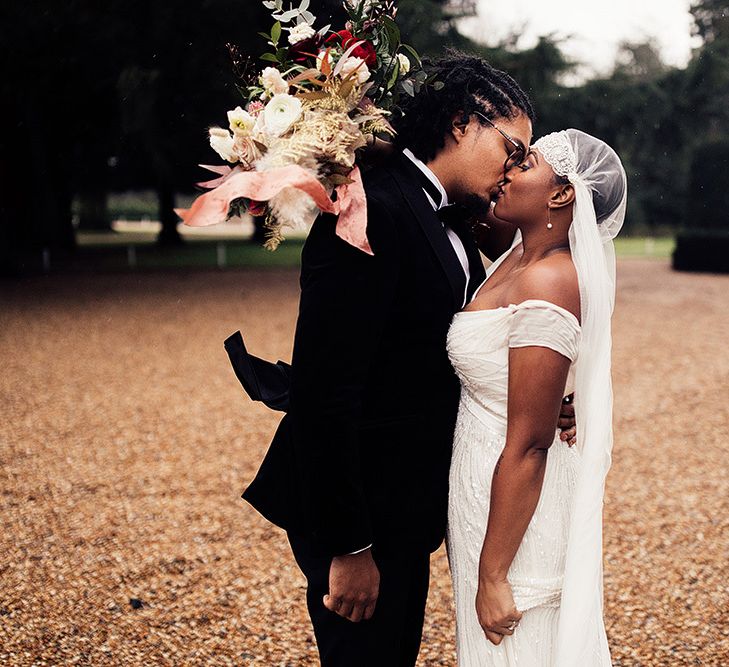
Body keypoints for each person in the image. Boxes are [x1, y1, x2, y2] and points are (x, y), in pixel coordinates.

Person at [241, 52, 575, 666]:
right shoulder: (371, 207)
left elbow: (439, 351)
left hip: (404, 508)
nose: (513, 169)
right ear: (463, 122)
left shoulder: (446, 215)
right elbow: (326, 389)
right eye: (512, 147)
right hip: (359, 512)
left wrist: (538, 397)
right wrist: (350, 546)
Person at [446, 128, 627, 666]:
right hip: (482, 494)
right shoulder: (516, 256)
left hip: (518, 518)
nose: (506, 169)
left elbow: (530, 444)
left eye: (525, 164)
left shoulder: (549, 281)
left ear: (562, 194)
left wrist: (495, 573)